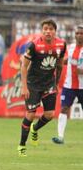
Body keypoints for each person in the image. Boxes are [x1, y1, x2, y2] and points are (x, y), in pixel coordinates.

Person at [17, 19, 66, 156]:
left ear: (55, 31)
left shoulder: (61, 45)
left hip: (49, 83)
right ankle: (22, 146)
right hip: (33, 84)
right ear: (42, 30)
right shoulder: (34, 46)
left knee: (50, 115)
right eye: (45, 29)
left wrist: (55, 83)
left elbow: (60, 65)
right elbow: (24, 66)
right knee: (30, 114)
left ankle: (35, 129)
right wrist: (24, 87)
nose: (48, 31)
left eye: (50, 29)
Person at [52, 25, 83, 144]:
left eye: (81, 33)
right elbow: (66, 61)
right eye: (77, 33)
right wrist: (56, 62)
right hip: (68, 85)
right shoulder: (69, 48)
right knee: (64, 108)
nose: (79, 35)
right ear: (75, 35)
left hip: (82, 87)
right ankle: (60, 136)